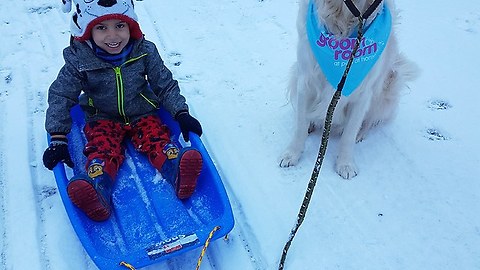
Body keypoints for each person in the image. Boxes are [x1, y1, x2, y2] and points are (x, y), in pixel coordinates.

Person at [42, 0, 203, 222]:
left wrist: (181, 113)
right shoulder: (79, 60)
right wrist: (58, 137)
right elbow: (61, 95)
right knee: (101, 151)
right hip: (102, 117)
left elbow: (163, 84)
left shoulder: (144, 51)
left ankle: (176, 170)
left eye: (120, 25)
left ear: (131, 26)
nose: (113, 36)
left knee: (157, 139)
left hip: (142, 111)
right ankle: (98, 189)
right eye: (101, 27)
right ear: (86, 30)